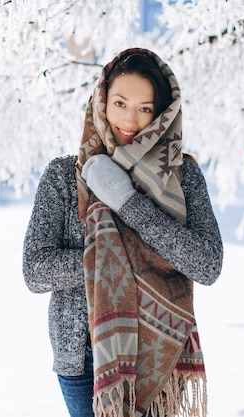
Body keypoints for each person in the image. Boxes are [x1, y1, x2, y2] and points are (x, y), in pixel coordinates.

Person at [23, 48, 223, 417]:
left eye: (146, 108)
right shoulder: (64, 177)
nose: (131, 119)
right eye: (120, 103)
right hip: (81, 358)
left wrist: (127, 202)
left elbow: (207, 264)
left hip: (160, 351)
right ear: (101, 102)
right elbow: (35, 271)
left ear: (162, 114)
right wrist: (115, 255)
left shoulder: (181, 176)